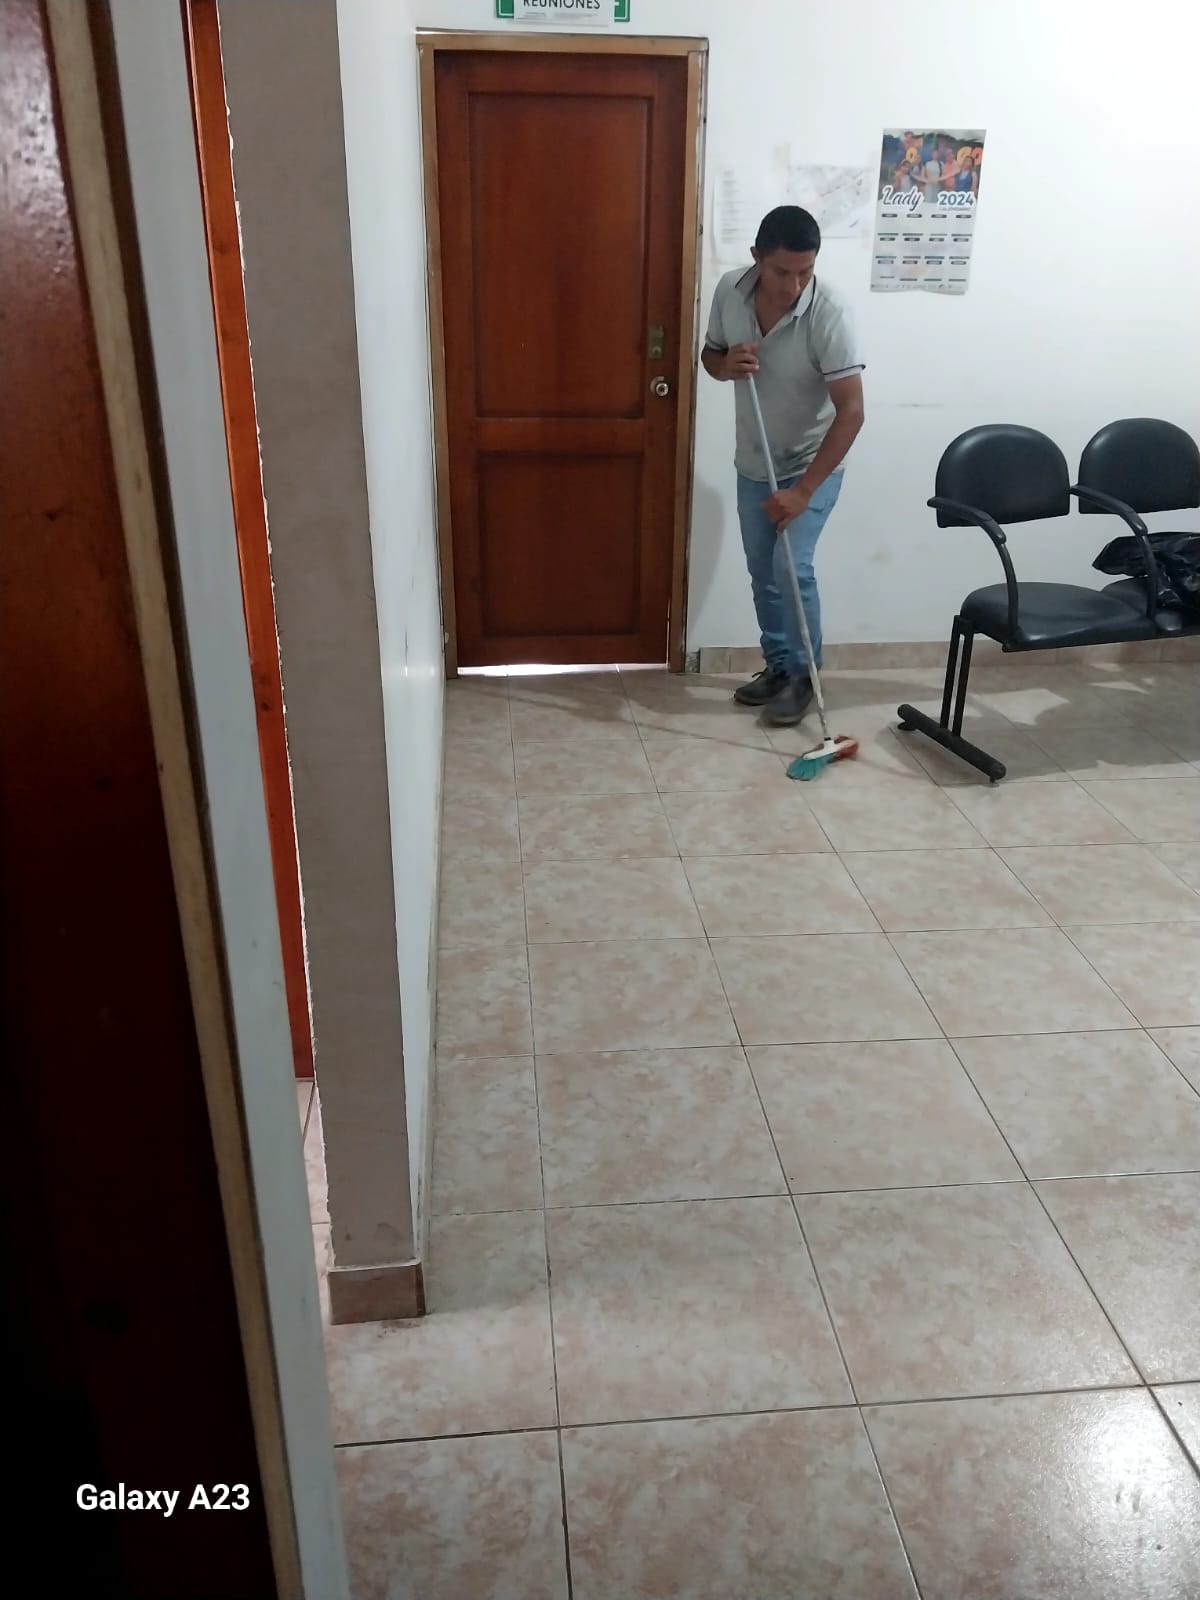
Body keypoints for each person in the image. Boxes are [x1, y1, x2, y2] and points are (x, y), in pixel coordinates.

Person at [701, 206, 866, 725]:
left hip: (814, 464)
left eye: (805, 272)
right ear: (756, 257)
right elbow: (710, 357)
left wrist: (803, 492)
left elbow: (852, 412)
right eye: (781, 272)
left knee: (790, 566)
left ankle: (803, 675)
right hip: (754, 461)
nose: (794, 286)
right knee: (762, 571)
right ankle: (777, 666)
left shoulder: (829, 313)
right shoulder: (730, 292)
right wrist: (725, 366)